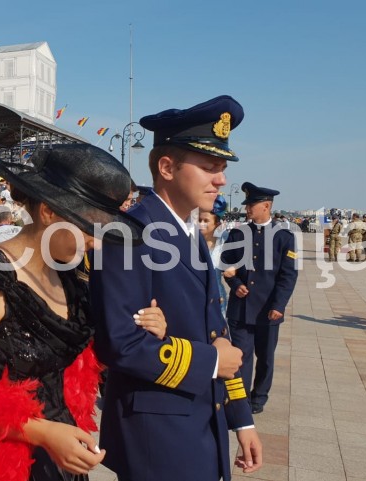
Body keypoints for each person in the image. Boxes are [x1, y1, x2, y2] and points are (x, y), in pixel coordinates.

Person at [0, 144, 165, 481]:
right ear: (48, 211)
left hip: (61, 460)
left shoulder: (71, 276)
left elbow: (90, 358)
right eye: (91, 227)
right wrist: (42, 432)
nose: (97, 242)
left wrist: (146, 326)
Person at [90, 96, 261, 481]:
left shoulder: (189, 230)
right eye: (209, 167)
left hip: (201, 418)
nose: (222, 180)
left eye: (221, 168)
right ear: (167, 167)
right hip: (158, 432)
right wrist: (213, 363)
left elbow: (218, 331)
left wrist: (242, 420)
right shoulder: (128, 235)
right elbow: (121, 345)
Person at [221, 182, 298, 416]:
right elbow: (226, 263)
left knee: (265, 358)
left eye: (251, 205)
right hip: (241, 309)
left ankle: (259, 397)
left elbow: (288, 275)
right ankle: (239, 398)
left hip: (267, 309)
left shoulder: (284, 237)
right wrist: (235, 284)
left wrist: (279, 305)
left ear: (266, 205)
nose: (247, 209)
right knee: (240, 356)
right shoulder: (237, 233)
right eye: (247, 205)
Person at [200, 194, 231, 318]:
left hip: (217, 298)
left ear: (217, 224)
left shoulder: (226, 241)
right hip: (194, 297)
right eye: (199, 220)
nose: (201, 224)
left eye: (206, 221)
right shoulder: (189, 242)